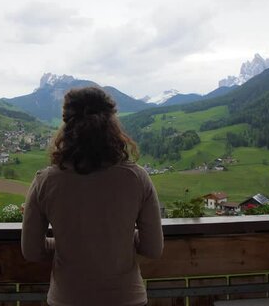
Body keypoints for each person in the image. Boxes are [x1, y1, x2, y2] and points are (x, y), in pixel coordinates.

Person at [21, 86, 164, 306]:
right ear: (112, 124)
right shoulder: (137, 178)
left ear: (67, 125)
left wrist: (68, 244)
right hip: (126, 299)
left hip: (67, 299)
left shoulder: (45, 181)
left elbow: (31, 251)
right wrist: (120, 240)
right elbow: (153, 248)